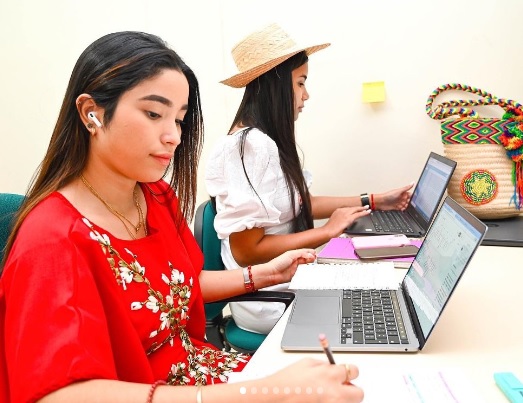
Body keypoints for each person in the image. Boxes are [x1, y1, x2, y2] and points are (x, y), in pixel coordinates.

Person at [0, 31, 364, 403]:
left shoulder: (155, 196)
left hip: (197, 368)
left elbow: (179, 286)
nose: (173, 135)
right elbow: (58, 395)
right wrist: (264, 393)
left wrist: (264, 274)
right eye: (154, 114)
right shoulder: (53, 238)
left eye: (179, 119)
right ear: (91, 113)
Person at [206, 23, 413, 334]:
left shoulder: (265, 141)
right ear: (273, 85)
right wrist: (327, 232)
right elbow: (247, 252)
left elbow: (302, 203)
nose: (306, 94)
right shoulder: (248, 147)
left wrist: (374, 200)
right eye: (300, 83)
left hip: (287, 280)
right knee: (388, 295)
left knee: (386, 284)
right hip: (267, 299)